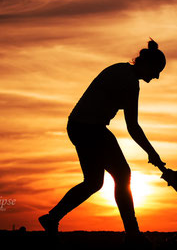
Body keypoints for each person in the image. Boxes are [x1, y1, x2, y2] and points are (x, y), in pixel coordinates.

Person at [39, 38, 166, 244]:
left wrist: (151, 152)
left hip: (78, 126)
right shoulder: (130, 83)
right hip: (91, 129)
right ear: (147, 65)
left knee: (93, 182)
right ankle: (133, 235)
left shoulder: (118, 69)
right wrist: (152, 153)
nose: (157, 76)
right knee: (122, 175)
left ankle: (52, 218)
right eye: (157, 70)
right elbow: (132, 126)